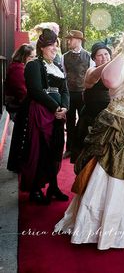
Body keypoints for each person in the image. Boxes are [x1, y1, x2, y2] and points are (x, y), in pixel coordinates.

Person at [54, 35, 124, 250]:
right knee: (112, 176)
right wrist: (121, 53)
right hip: (121, 126)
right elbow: (110, 81)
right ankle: (105, 226)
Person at [7, 28, 69, 204]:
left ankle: (53, 187)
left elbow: (65, 90)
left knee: (55, 151)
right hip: (40, 115)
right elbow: (35, 90)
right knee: (39, 152)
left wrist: (65, 107)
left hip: (57, 115)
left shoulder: (57, 67)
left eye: (56, 46)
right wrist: (55, 107)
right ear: (42, 47)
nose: (55, 48)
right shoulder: (33, 65)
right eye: (51, 45)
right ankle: (35, 188)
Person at [70, 42, 112, 163]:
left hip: (109, 118)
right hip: (92, 117)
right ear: (94, 58)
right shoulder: (91, 70)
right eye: (100, 55)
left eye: (106, 54)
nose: (104, 57)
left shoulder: (115, 72)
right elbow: (93, 78)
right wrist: (114, 61)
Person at [61, 30, 92, 159]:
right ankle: (69, 149)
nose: (69, 41)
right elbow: (64, 74)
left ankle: (82, 148)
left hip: (83, 94)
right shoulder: (64, 56)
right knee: (69, 121)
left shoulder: (89, 56)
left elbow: (91, 76)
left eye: (71, 39)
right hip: (69, 93)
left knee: (84, 121)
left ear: (78, 40)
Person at [5, 44, 36, 120]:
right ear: (23, 56)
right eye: (31, 57)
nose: (34, 59)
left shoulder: (21, 67)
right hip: (17, 108)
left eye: (35, 56)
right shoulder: (17, 68)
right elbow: (22, 92)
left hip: (19, 106)